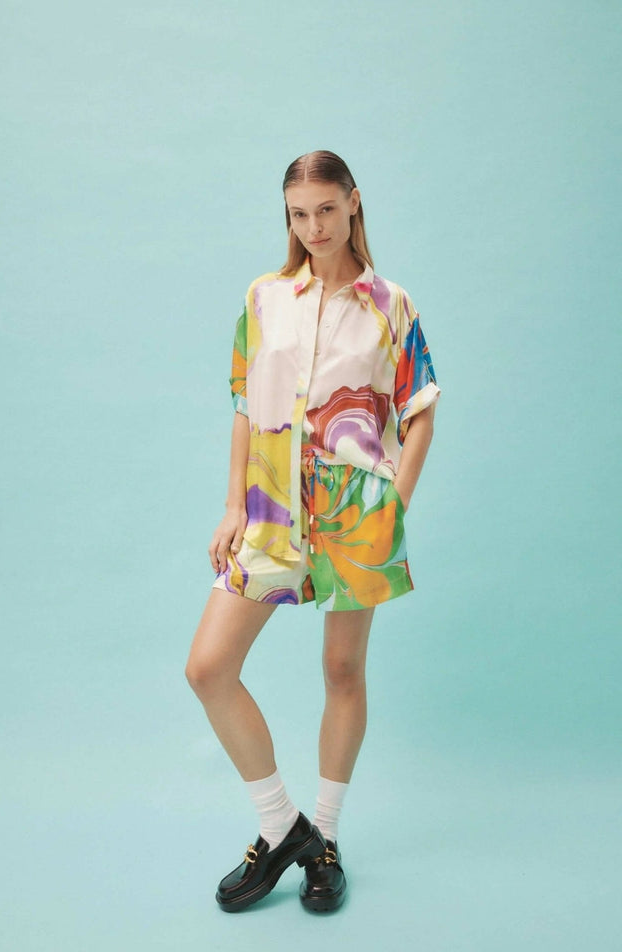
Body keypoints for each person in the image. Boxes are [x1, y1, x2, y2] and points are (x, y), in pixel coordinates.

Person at [185, 150, 441, 913]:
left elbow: (421, 411)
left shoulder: (390, 305)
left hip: (356, 514)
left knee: (342, 671)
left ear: (353, 203)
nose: (314, 227)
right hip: (270, 509)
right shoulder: (264, 297)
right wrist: (233, 505)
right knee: (209, 668)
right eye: (299, 214)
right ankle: (282, 826)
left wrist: (393, 505)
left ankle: (323, 838)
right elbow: (244, 404)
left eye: (327, 209)